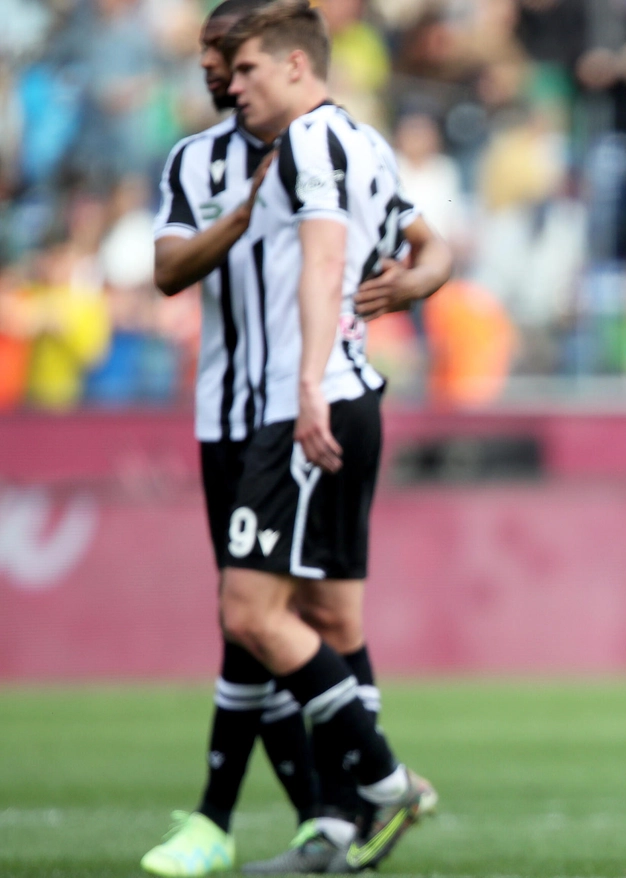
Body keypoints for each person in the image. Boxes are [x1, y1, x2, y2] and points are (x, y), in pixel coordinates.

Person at [138, 1, 452, 874]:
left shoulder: (319, 142)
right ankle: (337, 822)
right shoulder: (200, 160)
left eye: (235, 63)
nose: (222, 78)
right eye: (216, 63)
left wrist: (319, 371)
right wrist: (238, 224)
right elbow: (165, 270)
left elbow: (348, 258)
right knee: (319, 616)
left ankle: (375, 790)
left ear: (287, 65)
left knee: (253, 615)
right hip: (246, 412)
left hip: (297, 404)